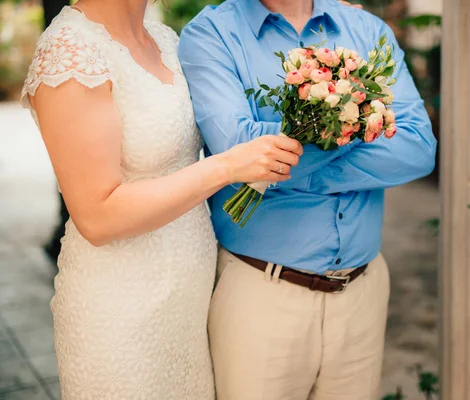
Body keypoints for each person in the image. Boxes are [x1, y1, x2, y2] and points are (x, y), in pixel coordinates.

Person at [20, 0, 303, 398]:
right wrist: (225, 168)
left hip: (187, 305)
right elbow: (97, 217)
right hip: (122, 314)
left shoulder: (164, 38)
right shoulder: (69, 49)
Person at [178, 0, 438, 399]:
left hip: (363, 293)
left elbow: (417, 148)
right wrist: (363, 128)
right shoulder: (212, 33)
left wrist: (292, 170)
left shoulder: (366, 30)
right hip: (261, 297)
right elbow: (241, 152)